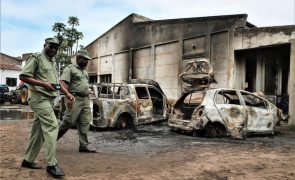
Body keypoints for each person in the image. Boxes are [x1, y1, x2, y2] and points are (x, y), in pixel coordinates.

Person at [20, 37, 75, 178]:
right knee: (52, 126)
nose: (54, 50)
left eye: (56, 48)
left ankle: (28, 160)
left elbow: (56, 84)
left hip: (48, 100)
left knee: (37, 132)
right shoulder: (37, 58)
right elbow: (24, 76)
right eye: (51, 46)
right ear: (45, 45)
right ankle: (51, 165)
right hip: (38, 98)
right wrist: (43, 84)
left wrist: (67, 93)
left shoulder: (52, 62)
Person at [57, 49, 96, 153]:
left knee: (85, 122)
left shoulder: (85, 72)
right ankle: (51, 140)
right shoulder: (70, 69)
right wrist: (67, 96)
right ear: (78, 58)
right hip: (74, 98)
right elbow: (62, 83)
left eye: (88, 60)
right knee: (68, 121)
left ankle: (84, 145)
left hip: (85, 99)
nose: (87, 62)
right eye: (85, 59)